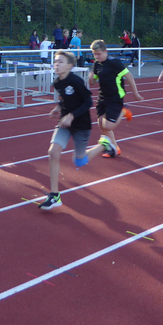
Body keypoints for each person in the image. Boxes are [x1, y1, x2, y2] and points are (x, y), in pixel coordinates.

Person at [38, 50, 118, 211]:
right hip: (65, 124)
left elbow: (88, 101)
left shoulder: (75, 81)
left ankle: (104, 144)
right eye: (55, 61)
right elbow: (66, 98)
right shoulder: (57, 82)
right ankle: (54, 195)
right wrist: (58, 108)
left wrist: (72, 116)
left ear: (69, 65)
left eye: (60, 62)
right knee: (53, 152)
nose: (56, 64)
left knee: (79, 161)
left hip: (81, 125)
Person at [90, 40, 144, 158]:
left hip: (115, 97)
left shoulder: (114, 62)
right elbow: (93, 81)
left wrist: (135, 94)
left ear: (105, 51)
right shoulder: (97, 64)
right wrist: (91, 77)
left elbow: (129, 76)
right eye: (94, 54)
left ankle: (123, 111)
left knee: (108, 126)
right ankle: (115, 149)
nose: (96, 56)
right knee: (101, 124)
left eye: (98, 53)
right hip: (102, 97)